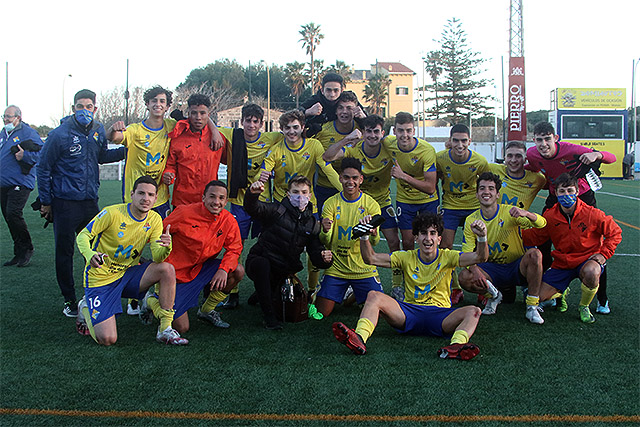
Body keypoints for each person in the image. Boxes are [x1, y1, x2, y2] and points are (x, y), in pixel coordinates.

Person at [332, 212, 488, 360]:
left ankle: (457, 346)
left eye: (433, 233)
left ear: (439, 239)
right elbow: (370, 259)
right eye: (423, 233)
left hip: (440, 316)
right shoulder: (406, 257)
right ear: (416, 238)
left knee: (474, 311)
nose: (428, 238)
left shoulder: (448, 256)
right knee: (374, 296)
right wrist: (364, 235)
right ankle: (358, 338)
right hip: (409, 314)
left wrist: (482, 237)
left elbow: (480, 256)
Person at [37, 89, 125, 317]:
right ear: (73, 108)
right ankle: (69, 299)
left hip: (89, 202)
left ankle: (98, 291)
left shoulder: (97, 130)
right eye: (80, 106)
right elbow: (43, 167)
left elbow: (101, 156)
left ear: (95, 108)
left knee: (99, 247)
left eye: (89, 107)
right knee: (65, 252)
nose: (84, 111)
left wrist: (128, 151)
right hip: (65, 203)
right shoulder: (59, 134)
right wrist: (46, 202)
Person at [75, 176, 186, 345]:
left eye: (150, 194)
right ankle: (85, 306)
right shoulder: (112, 213)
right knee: (107, 339)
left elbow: (157, 256)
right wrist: (90, 255)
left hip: (128, 274)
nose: (145, 198)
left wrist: (166, 247)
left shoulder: (155, 219)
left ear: (156, 198)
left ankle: (165, 329)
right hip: (101, 278)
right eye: (141, 193)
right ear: (132, 194)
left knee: (166, 269)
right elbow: (83, 235)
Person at [526, 122, 617, 313]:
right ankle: (552, 286)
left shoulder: (571, 150)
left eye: (547, 139)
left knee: (595, 242)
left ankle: (602, 299)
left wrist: (596, 154)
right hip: (555, 196)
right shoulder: (532, 154)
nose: (543, 144)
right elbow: (533, 169)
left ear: (555, 138)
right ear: (534, 140)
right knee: (543, 238)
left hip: (581, 195)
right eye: (539, 139)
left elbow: (612, 157)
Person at [145, 180, 244, 333]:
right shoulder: (184, 213)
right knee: (182, 327)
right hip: (175, 274)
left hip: (200, 268)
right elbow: (157, 232)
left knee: (237, 270)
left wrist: (223, 269)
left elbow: (234, 248)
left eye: (221, 198)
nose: (216, 202)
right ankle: (150, 300)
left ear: (226, 201)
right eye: (212, 197)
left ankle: (206, 311)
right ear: (203, 198)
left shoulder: (228, 220)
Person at [522, 173, 622, 323]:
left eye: (570, 190)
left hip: (586, 260)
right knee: (536, 297)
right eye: (562, 191)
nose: (566, 194)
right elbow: (536, 236)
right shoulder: (550, 216)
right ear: (555, 193)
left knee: (592, 271)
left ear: (577, 191)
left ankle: (584, 306)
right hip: (562, 263)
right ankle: (561, 292)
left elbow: (615, 233)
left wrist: (604, 254)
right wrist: (513, 231)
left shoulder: (592, 214)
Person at [243, 175, 332, 329]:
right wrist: (252, 194)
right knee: (262, 265)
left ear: (310, 196)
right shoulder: (276, 210)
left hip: (283, 271)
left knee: (280, 295)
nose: (301, 196)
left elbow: (316, 256)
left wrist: (325, 258)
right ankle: (269, 317)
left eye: (304, 192)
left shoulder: (312, 224)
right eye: (296, 192)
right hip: (259, 261)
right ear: (288, 194)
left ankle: (262, 293)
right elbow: (254, 208)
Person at [217, 103, 283, 308]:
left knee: (268, 244)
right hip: (238, 202)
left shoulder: (271, 138)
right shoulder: (231, 135)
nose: (251, 125)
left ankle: (266, 286)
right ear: (242, 121)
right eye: (248, 121)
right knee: (235, 245)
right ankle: (233, 292)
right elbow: (208, 126)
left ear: (261, 123)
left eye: (256, 121)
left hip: (261, 203)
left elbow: (293, 128)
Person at [458, 172, 547, 324]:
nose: (486, 192)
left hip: (516, 266)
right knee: (464, 277)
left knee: (535, 255)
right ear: (477, 193)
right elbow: (467, 252)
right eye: (482, 188)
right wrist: (475, 271)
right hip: (491, 269)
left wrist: (526, 214)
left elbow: (542, 223)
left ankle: (532, 306)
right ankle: (493, 295)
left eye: (491, 189)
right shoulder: (471, 220)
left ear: (498, 194)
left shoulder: (510, 211)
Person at [315, 157, 384, 317]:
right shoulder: (330, 203)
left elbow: (375, 242)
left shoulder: (371, 205)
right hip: (337, 268)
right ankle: (345, 292)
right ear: (340, 178)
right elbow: (326, 241)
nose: (350, 182)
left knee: (379, 313)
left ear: (361, 179)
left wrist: (372, 233)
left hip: (363, 269)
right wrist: (325, 231)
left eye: (354, 178)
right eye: (346, 177)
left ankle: (353, 294)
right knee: (320, 313)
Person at [436, 124, 490, 304]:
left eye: (464, 141)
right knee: (445, 246)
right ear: (450, 141)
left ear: (470, 141)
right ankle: (454, 288)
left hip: (473, 208)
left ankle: (483, 287)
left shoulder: (480, 161)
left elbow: (486, 184)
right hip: (450, 206)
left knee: (478, 247)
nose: (460, 145)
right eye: (456, 140)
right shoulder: (440, 158)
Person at [162, 94, 224, 208]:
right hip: (182, 201)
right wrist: (168, 174)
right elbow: (170, 165)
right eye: (194, 113)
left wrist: (214, 130)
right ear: (188, 114)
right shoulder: (177, 137)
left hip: (208, 201)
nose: (198, 117)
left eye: (202, 113)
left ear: (208, 115)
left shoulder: (219, 138)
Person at [1, 105, 43, 267]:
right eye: (4, 116)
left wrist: (25, 155)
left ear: (18, 117)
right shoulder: (4, 134)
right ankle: (18, 252)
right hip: (4, 183)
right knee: (8, 216)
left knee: (13, 213)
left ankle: (27, 249)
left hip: (20, 182)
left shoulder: (28, 132)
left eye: (9, 116)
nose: (6, 119)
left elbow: (42, 153)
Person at [300, 73, 366, 137]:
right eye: (328, 90)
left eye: (336, 90)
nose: (332, 94)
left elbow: (370, 124)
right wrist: (307, 112)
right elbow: (293, 115)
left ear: (342, 90)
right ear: (322, 90)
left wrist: (363, 118)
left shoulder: (348, 99)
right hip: (319, 137)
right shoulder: (316, 100)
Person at [489, 140, 546, 211]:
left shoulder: (537, 179)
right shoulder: (492, 169)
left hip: (519, 220)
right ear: (505, 158)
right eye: (510, 156)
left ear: (525, 159)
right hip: (493, 220)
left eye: (518, 156)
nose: (513, 160)